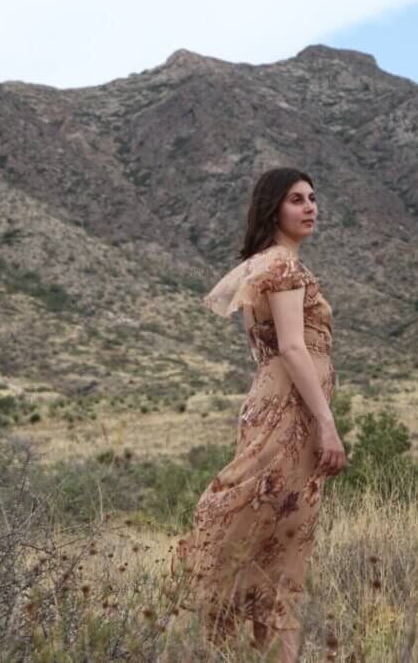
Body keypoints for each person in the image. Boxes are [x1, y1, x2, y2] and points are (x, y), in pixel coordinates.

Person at [168, 167, 346, 662]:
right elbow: (291, 347)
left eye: (312, 197)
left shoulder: (266, 264)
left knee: (276, 535)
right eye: (296, 199)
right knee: (282, 534)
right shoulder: (282, 268)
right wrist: (326, 423)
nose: (310, 207)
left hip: (277, 407)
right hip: (289, 415)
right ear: (273, 209)